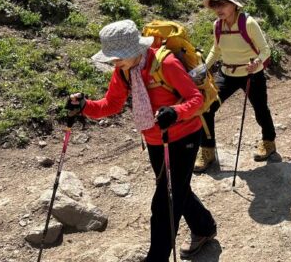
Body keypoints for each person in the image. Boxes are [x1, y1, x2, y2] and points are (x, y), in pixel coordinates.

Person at [66, 19, 217, 261]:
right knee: (175, 188)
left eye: (118, 57)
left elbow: (195, 99)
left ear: (135, 49)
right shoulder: (124, 69)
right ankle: (205, 227)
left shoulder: (166, 64)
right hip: (156, 139)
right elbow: (111, 104)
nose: (115, 62)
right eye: (112, 58)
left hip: (183, 136)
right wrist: (84, 106)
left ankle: (157, 258)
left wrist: (175, 112)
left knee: (164, 203)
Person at [193, 0, 277, 173]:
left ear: (234, 5)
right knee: (206, 107)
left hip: (251, 73)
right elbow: (216, 50)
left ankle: (269, 142)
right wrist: (204, 68)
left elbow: (265, 50)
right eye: (215, 5)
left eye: (223, 4)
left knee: (261, 110)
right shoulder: (217, 25)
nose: (218, 9)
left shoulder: (248, 23)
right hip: (227, 74)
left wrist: (257, 62)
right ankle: (207, 151)